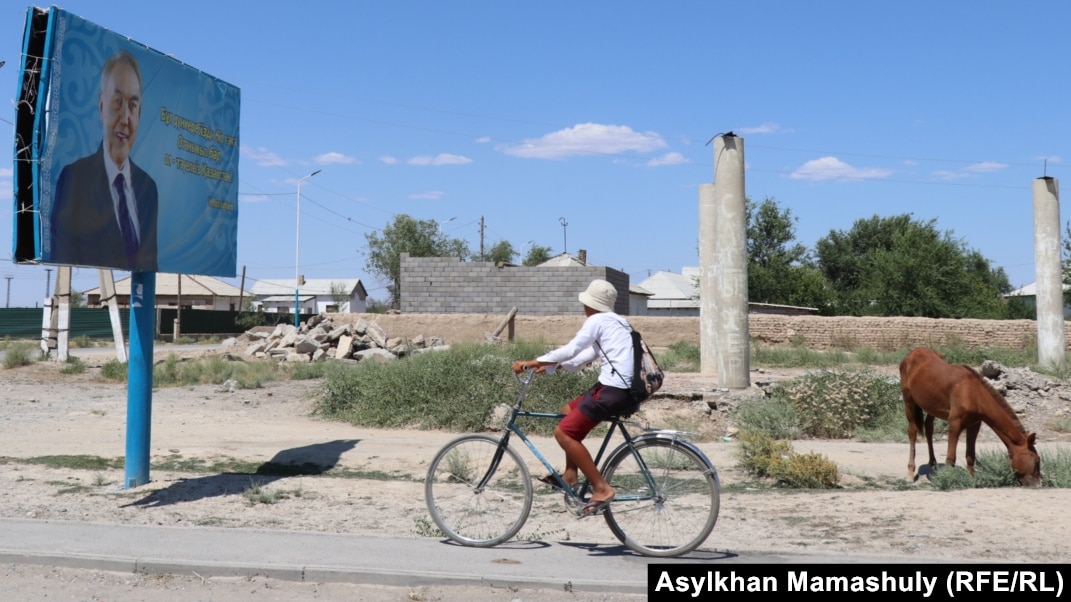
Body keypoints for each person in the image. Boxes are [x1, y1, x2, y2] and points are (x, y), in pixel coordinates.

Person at [511, 279, 638, 517]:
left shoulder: (597, 320)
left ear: (591, 304)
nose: (584, 308)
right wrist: (551, 367)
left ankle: (601, 488)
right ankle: (570, 476)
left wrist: (531, 362)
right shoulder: (619, 322)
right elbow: (582, 357)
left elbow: (571, 349)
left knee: (563, 433)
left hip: (613, 389)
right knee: (568, 410)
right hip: (620, 388)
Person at [50, 49, 158, 271]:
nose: (125, 118)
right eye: (117, 102)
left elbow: (150, 264)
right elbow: (63, 255)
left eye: (133, 105)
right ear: (101, 106)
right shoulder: (75, 180)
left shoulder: (148, 189)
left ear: (140, 113)